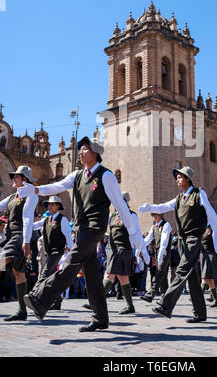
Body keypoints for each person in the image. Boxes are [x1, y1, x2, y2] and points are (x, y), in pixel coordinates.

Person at [18, 136, 148, 332]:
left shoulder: (106, 176)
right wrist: (35, 189)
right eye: (79, 149)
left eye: (84, 149)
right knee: (93, 276)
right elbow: (57, 186)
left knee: (71, 262)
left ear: (95, 152)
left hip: (95, 228)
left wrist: (135, 235)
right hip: (80, 229)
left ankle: (40, 298)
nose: (80, 152)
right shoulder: (78, 175)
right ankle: (100, 319)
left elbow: (120, 206)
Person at [139, 166, 217, 323]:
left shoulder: (199, 194)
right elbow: (164, 206)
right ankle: (200, 313)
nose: (177, 180)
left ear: (187, 179)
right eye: (177, 177)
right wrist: (150, 208)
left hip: (193, 239)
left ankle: (166, 305)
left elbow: (211, 213)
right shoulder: (180, 198)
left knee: (181, 270)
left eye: (180, 177)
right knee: (192, 277)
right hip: (182, 240)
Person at [0, 166, 38, 321]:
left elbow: (29, 219)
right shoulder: (11, 198)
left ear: (25, 179)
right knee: (18, 273)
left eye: (16, 177)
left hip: (21, 236)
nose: (13, 179)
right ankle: (22, 311)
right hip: (12, 237)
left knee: (1, 261)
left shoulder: (31, 196)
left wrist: (27, 241)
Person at [102, 192, 149, 314]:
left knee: (109, 275)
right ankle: (130, 306)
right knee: (123, 279)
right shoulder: (112, 216)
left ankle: (96, 301)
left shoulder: (131, 215)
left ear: (124, 202)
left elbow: (137, 233)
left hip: (123, 249)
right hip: (112, 250)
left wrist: (142, 251)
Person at [30, 196, 73, 310]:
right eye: (48, 204)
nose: (49, 206)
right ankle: (58, 302)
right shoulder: (46, 219)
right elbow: (34, 226)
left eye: (52, 204)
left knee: (45, 273)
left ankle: (33, 295)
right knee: (54, 278)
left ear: (58, 206)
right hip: (50, 253)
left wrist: (71, 250)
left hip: (57, 252)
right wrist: (26, 221)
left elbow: (68, 236)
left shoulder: (62, 219)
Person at [140, 212, 172, 303]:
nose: (154, 217)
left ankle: (150, 295)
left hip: (164, 252)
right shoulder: (154, 227)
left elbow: (164, 242)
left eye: (155, 215)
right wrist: (140, 246)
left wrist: (161, 255)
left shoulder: (166, 225)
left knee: (158, 273)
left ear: (161, 215)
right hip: (158, 252)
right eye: (153, 215)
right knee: (163, 275)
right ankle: (165, 297)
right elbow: (147, 239)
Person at [200, 226, 217, 307]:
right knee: (209, 280)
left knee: (205, 278)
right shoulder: (202, 228)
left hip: (209, 255)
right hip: (204, 256)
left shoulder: (212, 229)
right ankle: (216, 300)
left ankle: (198, 299)